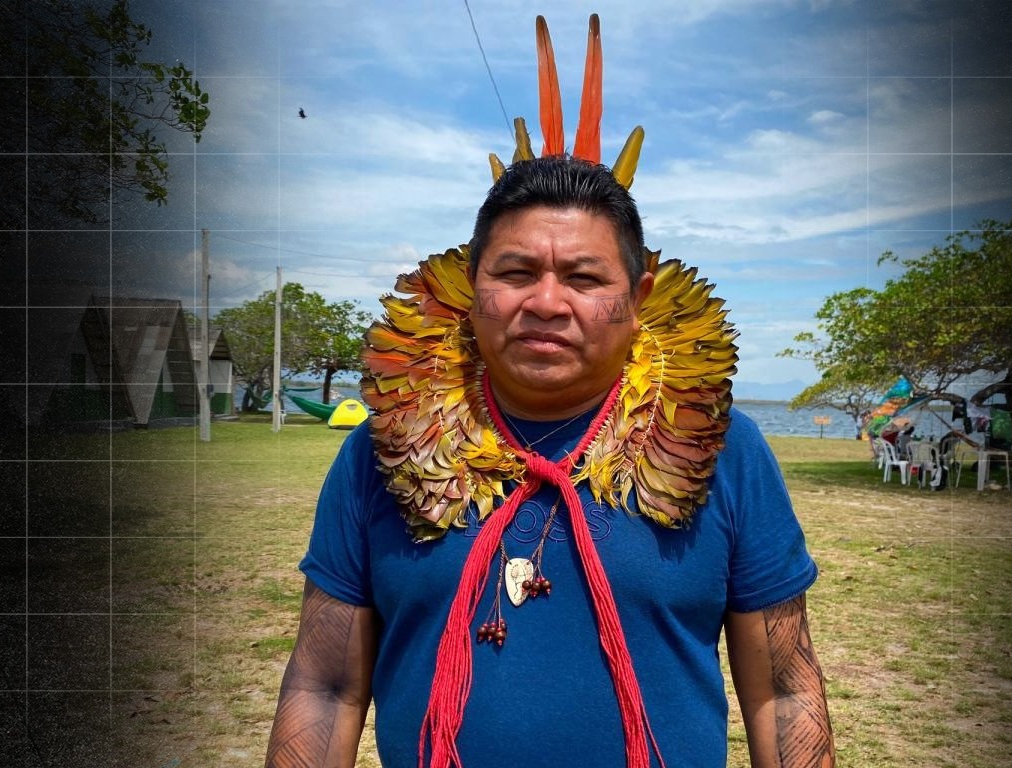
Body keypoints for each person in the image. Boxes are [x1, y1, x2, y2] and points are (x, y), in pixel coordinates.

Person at [267, 15, 832, 768]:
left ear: (638, 298)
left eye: (584, 277)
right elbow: (324, 687)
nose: (546, 302)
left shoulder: (726, 451)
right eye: (516, 272)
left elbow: (784, 690)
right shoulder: (383, 452)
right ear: (471, 290)